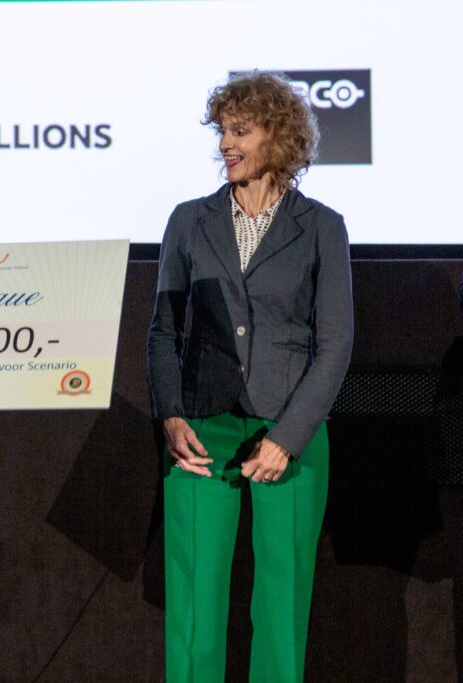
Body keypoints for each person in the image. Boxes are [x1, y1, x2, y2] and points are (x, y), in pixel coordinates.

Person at [146, 72, 353, 682]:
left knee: (282, 607)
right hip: (200, 432)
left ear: (279, 136)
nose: (225, 144)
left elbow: (335, 344)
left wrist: (287, 438)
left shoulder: (322, 226)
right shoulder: (189, 220)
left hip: (289, 432)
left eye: (240, 131)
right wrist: (171, 415)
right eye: (222, 131)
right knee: (192, 608)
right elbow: (162, 331)